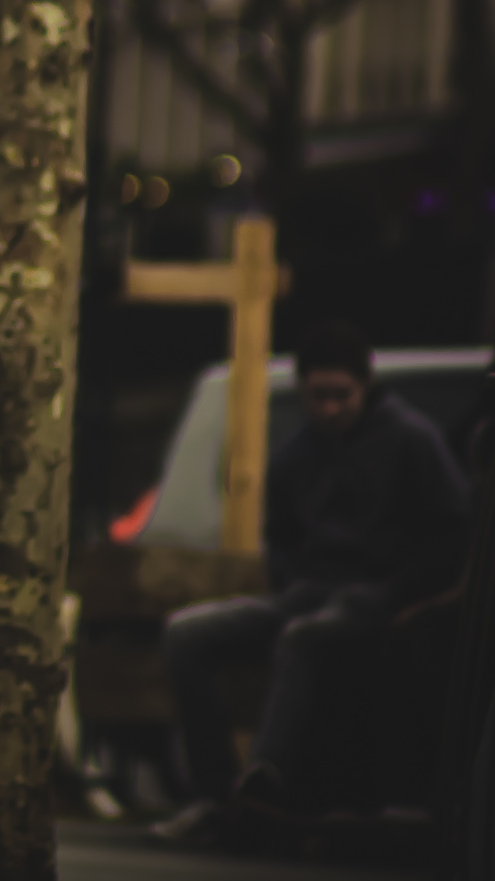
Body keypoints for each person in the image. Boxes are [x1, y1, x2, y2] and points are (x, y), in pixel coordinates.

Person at [152, 319, 469, 842]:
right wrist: (288, 577)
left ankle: (265, 783)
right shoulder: (297, 452)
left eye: (341, 397)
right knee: (185, 633)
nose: (330, 409)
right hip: (306, 591)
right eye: (317, 397)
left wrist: (402, 592)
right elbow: (282, 535)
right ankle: (215, 795)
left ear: (363, 389)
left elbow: (453, 530)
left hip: (375, 594)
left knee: (304, 637)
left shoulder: (411, 439)